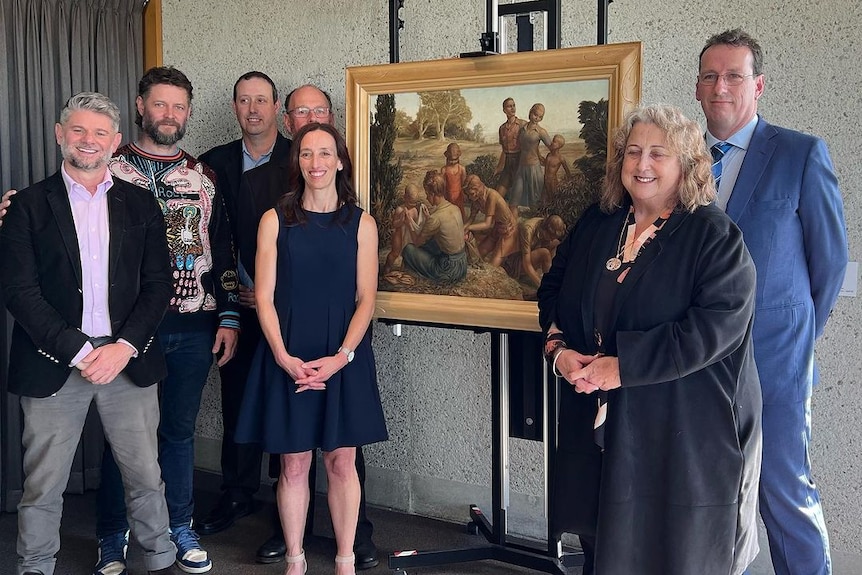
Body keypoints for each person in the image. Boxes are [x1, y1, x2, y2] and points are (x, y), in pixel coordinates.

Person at [537, 105, 762, 574]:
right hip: (600, 430)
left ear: (687, 165)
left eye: (659, 154)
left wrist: (621, 366)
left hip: (679, 437)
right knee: (602, 546)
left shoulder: (714, 237)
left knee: (668, 555)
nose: (642, 165)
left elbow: (715, 328)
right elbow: (553, 293)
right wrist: (559, 353)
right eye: (633, 152)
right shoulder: (598, 224)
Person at [0, 92, 180, 575]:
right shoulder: (28, 205)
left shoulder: (140, 203)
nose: (88, 141)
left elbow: (158, 284)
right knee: (43, 484)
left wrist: (123, 347)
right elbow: (19, 291)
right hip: (54, 360)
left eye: (100, 133)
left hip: (128, 360)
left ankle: (159, 559)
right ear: (60, 134)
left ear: (116, 142)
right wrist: (80, 350)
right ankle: (35, 565)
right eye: (78, 130)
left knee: (146, 476)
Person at [696, 29, 848, 575]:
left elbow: (827, 267)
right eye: (711, 75)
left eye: (734, 75)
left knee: (783, 495)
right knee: (707, 498)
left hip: (776, 363)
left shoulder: (801, 155)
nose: (721, 87)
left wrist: (794, 338)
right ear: (697, 87)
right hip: (698, 364)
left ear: (757, 85)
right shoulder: (683, 160)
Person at [94, 66, 241, 575]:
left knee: (178, 433)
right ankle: (113, 535)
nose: (169, 115)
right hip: (125, 329)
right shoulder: (107, 169)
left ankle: (181, 525)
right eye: (160, 104)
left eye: (179, 107)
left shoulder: (202, 177)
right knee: (124, 437)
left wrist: (228, 316)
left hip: (191, 325)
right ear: (139, 106)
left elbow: (222, 249)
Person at [236, 84, 380, 570]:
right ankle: (295, 560)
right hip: (288, 355)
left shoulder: (362, 224)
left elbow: (366, 301)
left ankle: (344, 560)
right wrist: (281, 356)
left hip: (343, 356)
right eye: (306, 153)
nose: (316, 161)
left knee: (342, 462)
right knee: (292, 464)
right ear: (296, 161)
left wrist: (342, 358)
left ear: (340, 160)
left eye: (326, 153)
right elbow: (264, 298)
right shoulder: (274, 221)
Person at [195, 71, 290, 538]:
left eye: (262, 100)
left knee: (288, 400)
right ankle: (235, 492)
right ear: (234, 107)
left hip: (290, 309)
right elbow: (207, 237)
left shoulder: (302, 159)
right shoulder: (212, 164)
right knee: (237, 400)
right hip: (234, 306)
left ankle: (288, 499)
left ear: (277, 108)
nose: (253, 109)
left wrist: (276, 292)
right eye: (244, 101)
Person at [401, 170, 468, 284]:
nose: (427, 198)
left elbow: (417, 243)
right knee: (431, 243)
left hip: (448, 269)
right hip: (462, 264)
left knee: (408, 249)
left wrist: (409, 224)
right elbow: (444, 231)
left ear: (432, 194)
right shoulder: (455, 208)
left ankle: (415, 275)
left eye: (427, 194)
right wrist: (428, 218)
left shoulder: (435, 218)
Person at [462, 174, 517, 266]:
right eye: (468, 195)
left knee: (493, 264)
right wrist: (463, 228)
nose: (470, 197)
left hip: (508, 230)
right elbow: (471, 218)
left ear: (478, 188)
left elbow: (487, 224)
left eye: (471, 194)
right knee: (479, 253)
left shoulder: (492, 195)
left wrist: (469, 227)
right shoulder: (476, 199)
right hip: (497, 228)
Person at [502, 214, 566, 288]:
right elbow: (527, 264)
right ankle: (548, 283)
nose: (551, 239)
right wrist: (541, 285)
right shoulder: (528, 229)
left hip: (531, 252)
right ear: (546, 230)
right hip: (515, 262)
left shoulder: (543, 227)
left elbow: (551, 242)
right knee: (545, 253)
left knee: (556, 243)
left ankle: (549, 275)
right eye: (551, 237)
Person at [509, 102, 552, 212]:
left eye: (539, 117)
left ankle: (535, 220)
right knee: (515, 196)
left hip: (533, 167)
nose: (536, 118)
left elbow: (552, 148)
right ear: (530, 113)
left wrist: (548, 160)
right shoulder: (522, 128)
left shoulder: (541, 132)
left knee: (534, 199)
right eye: (535, 114)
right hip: (521, 166)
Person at [383, 182, 428, 274]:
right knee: (395, 253)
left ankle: (403, 270)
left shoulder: (415, 210)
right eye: (410, 202)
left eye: (414, 203)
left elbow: (417, 225)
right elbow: (394, 224)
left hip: (409, 236)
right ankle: (386, 268)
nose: (412, 205)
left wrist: (424, 216)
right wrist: (402, 220)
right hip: (399, 234)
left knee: (407, 253)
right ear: (405, 197)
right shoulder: (400, 209)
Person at [493, 97, 525, 197]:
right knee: (498, 194)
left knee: (518, 195)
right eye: (509, 106)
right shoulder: (502, 128)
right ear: (504, 110)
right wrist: (498, 167)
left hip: (519, 161)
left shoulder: (523, 124)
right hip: (508, 163)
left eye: (514, 105)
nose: (513, 108)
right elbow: (503, 150)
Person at [540, 134, 571, 204]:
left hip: (552, 181)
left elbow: (567, 172)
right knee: (544, 200)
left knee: (553, 199)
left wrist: (567, 183)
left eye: (554, 142)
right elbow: (546, 165)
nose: (552, 143)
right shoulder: (549, 155)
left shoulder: (560, 158)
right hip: (545, 180)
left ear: (559, 146)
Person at [440, 142, 466, 218]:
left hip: (459, 196)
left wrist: (464, 194)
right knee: (449, 214)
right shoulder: (444, 170)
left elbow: (463, 184)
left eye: (455, 159)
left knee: (460, 214)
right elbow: (443, 185)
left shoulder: (461, 169)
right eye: (451, 159)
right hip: (448, 196)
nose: (453, 162)